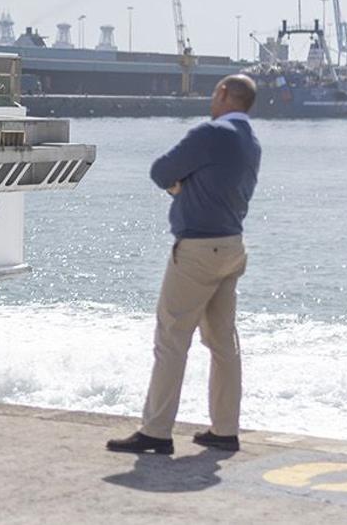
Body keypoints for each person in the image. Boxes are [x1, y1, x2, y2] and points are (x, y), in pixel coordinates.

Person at [107, 74, 262, 455]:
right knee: (223, 342)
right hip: (231, 245)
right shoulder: (251, 142)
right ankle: (225, 430)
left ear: (224, 93)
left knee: (172, 340)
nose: (212, 98)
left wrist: (180, 187)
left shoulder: (211, 133)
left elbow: (160, 171)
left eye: (215, 92)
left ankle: (157, 432)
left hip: (197, 249)